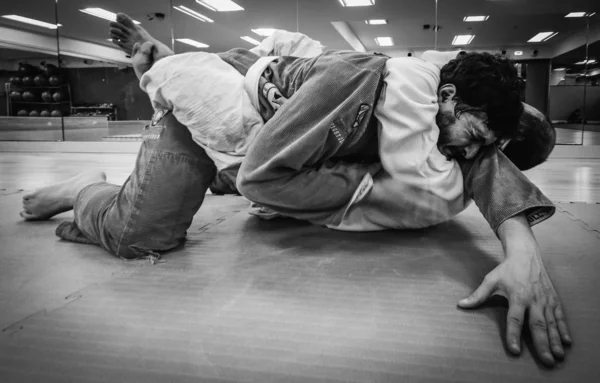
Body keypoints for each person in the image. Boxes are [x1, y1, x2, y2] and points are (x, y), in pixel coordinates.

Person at [20, 14, 569, 366]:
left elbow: (484, 162)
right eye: (479, 134)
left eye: (488, 146)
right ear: (452, 98)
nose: (470, 151)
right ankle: (86, 188)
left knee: (251, 165)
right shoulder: (414, 84)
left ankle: (165, 72)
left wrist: (522, 251)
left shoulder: (464, 145)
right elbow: (302, 102)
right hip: (228, 110)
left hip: (268, 120)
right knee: (139, 234)